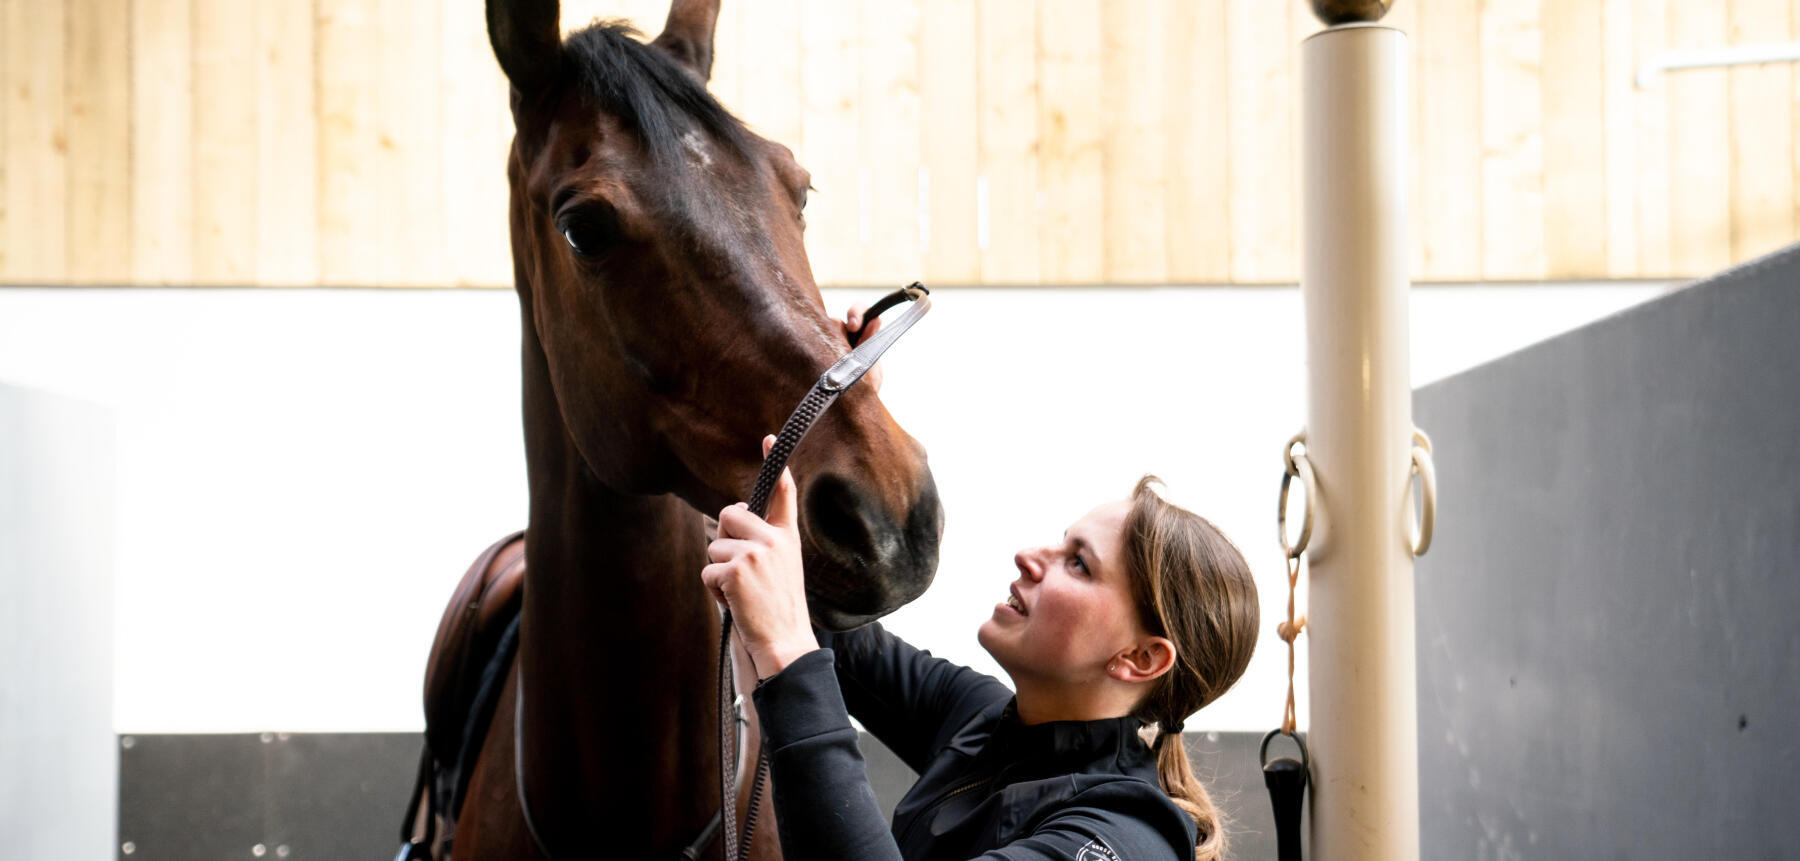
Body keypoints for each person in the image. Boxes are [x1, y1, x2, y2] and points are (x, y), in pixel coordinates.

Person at [701, 311, 1261, 861]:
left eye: (1079, 564)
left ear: (1140, 657)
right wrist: (838, 406)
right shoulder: (986, 721)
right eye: (1062, 542)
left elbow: (796, 637)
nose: (1029, 556)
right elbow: (823, 620)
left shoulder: (1122, 838)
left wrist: (784, 650)